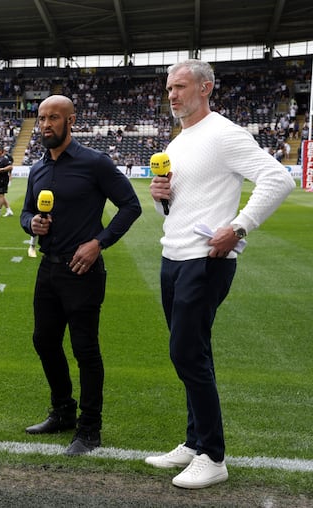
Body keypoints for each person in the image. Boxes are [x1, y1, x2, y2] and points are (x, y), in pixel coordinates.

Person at [145, 59, 295, 489]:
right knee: (191, 352)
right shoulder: (179, 141)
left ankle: (213, 455)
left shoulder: (225, 133)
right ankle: (194, 443)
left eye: (180, 86)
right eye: (169, 88)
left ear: (205, 87)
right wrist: (161, 197)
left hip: (205, 260)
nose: (172, 95)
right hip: (173, 256)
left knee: (186, 355)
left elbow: (277, 178)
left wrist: (239, 225)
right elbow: (174, 207)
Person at [20, 95, 141, 456]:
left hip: (83, 270)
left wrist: (98, 243)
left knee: (85, 350)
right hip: (49, 268)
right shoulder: (39, 168)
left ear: (71, 120)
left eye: (53, 118)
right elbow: (25, 213)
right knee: (44, 340)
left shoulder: (94, 163)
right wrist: (33, 223)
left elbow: (130, 205)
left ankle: (90, 429)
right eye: (41, 118)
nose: (45, 125)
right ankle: (62, 411)